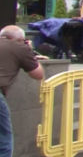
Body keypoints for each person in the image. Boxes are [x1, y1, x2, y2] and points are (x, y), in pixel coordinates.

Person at [0, 26, 45, 156]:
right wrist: (30, 53)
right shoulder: (19, 47)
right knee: (3, 139)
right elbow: (38, 74)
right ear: (20, 39)